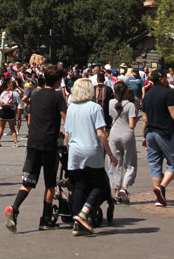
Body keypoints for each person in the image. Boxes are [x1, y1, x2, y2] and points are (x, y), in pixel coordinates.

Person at [4, 64, 66, 233]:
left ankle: (14, 208)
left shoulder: (35, 95)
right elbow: (66, 118)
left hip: (33, 142)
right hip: (49, 144)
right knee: (50, 184)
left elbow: (34, 113)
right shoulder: (58, 96)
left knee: (28, 182)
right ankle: (45, 220)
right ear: (58, 81)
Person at [65, 78, 118, 236]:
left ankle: (76, 221)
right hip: (91, 149)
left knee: (79, 186)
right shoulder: (95, 108)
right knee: (99, 184)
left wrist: (69, 150)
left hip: (75, 150)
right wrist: (110, 153)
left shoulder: (71, 108)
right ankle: (84, 213)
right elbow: (101, 133)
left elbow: (67, 134)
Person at [140, 69, 174, 207]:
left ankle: (159, 198)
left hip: (150, 132)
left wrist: (144, 135)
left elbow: (144, 118)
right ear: (162, 78)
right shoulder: (168, 93)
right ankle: (161, 188)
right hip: (165, 132)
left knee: (155, 163)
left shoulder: (147, 95)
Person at [108, 79, 138, 203]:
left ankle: (116, 192)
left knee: (115, 163)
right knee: (130, 163)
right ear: (126, 92)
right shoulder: (130, 105)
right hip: (126, 133)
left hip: (114, 133)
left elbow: (112, 117)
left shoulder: (111, 102)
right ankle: (125, 187)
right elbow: (132, 124)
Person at [0, 79, 19, 147]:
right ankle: (15, 142)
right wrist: (16, 113)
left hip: (3, 111)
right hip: (11, 111)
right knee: (12, 128)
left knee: (2, 127)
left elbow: (0, 103)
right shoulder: (15, 93)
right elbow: (16, 104)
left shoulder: (3, 92)